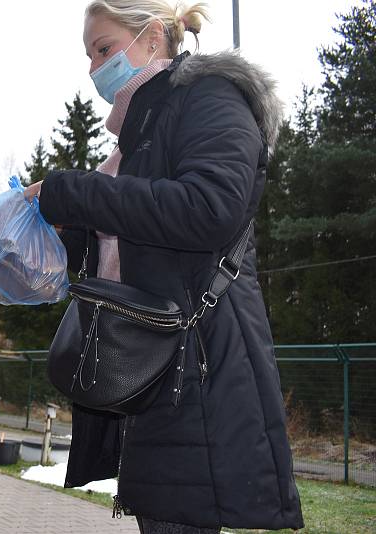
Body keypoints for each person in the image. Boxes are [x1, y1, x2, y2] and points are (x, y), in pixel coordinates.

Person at [24, 1, 304, 532]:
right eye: (88, 55)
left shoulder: (211, 96)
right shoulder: (142, 128)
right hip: (160, 367)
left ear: (153, 37)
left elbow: (207, 209)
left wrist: (78, 193)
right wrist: (59, 236)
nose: (92, 68)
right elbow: (140, 241)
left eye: (103, 49)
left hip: (199, 365)